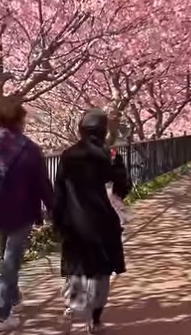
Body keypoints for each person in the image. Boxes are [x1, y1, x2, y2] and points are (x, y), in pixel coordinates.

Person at [0, 100, 53, 332]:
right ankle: (1, 314)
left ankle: (14, 295)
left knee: (6, 254)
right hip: (23, 208)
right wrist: (53, 209)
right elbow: (43, 184)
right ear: (20, 119)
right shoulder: (30, 149)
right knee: (11, 260)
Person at [53, 109, 132, 333]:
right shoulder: (112, 155)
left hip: (73, 217)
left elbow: (59, 190)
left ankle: (72, 306)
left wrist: (57, 219)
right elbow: (123, 186)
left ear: (81, 129)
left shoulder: (68, 155)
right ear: (104, 130)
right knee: (101, 269)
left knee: (76, 264)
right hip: (102, 218)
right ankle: (95, 319)